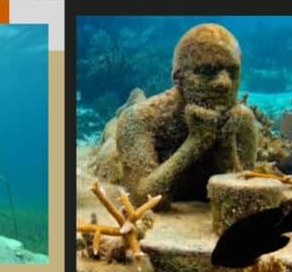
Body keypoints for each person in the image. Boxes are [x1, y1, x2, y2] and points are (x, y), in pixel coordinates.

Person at [91, 24, 257, 207]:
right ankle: (133, 101)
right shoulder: (139, 119)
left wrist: (226, 143)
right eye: (207, 71)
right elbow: (142, 198)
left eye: (232, 72)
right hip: (116, 148)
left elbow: (242, 196)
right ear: (178, 78)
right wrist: (195, 143)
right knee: (112, 137)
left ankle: (137, 98)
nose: (224, 83)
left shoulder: (243, 120)